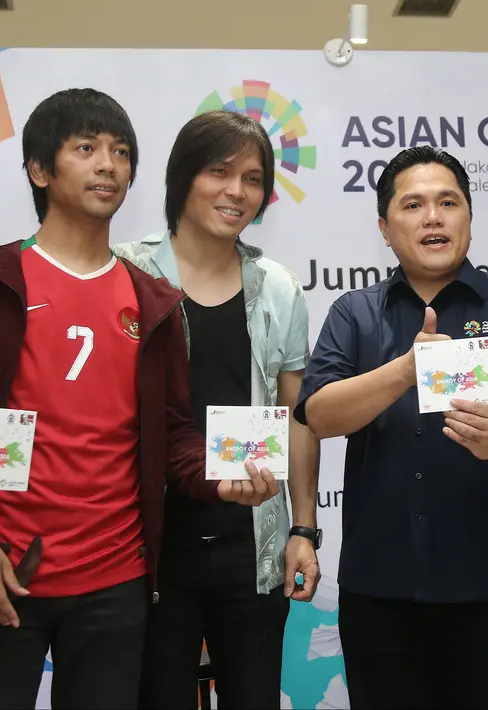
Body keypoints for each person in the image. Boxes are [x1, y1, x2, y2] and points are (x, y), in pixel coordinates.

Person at [0, 88, 281, 710]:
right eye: (85, 149)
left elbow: (172, 436)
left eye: (119, 152)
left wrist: (223, 480)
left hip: (117, 584)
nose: (108, 164)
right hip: (1, 574)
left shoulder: (150, 301)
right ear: (39, 169)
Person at [295, 145, 488, 708]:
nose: (433, 217)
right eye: (413, 205)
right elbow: (319, 414)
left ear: (469, 217)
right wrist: (405, 371)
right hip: (381, 588)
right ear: (385, 227)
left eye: (448, 202)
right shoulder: (355, 314)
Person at [114, 110, 321, 708]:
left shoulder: (278, 286)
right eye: (219, 171)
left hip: (250, 544)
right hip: (147, 545)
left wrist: (303, 528)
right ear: (182, 178)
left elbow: (298, 421)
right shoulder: (125, 272)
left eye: (253, 179)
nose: (237, 191)